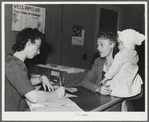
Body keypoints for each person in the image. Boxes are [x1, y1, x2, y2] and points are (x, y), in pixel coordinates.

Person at [5, 28, 65, 111]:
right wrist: (56, 93)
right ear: (29, 43)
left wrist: (41, 78)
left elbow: (22, 83)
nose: (39, 52)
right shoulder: (14, 66)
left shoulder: (12, 60)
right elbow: (34, 97)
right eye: (37, 47)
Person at [100, 29, 144, 98]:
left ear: (126, 43)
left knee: (110, 87)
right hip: (129, 82)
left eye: (119, 44)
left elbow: (114, 68)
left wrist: (106, 77)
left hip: (121, 83)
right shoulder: (135, 54)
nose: (118, 46)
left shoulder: (121, 54)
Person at [81, 30, 119, 95]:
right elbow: (85, 81)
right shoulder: (98, 61)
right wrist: (98, 89)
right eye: (97, 45)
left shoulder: (121, 64)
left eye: (102, 45)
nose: (98, 48)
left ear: (112, 44)